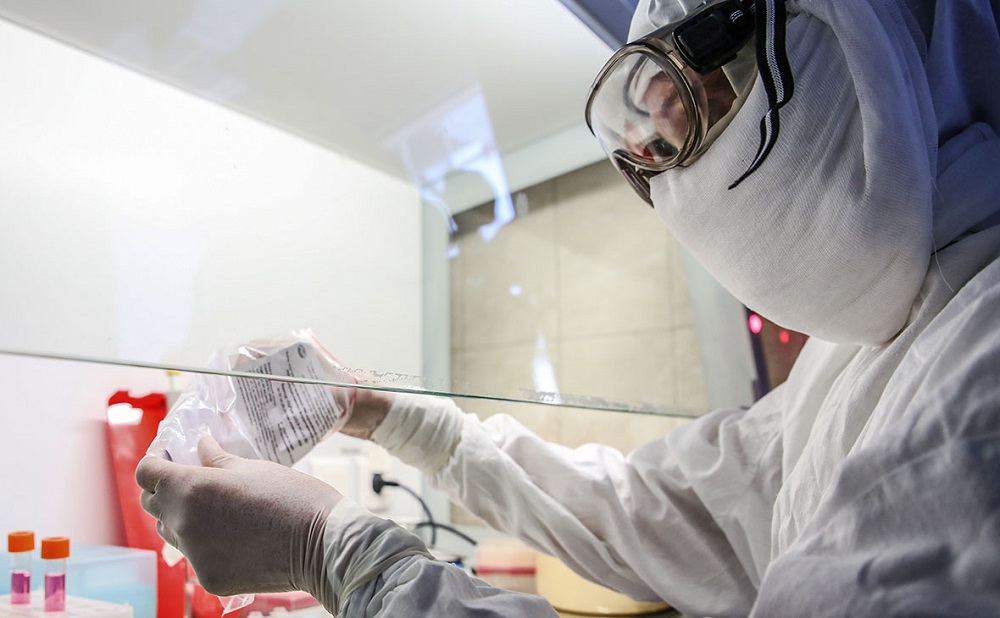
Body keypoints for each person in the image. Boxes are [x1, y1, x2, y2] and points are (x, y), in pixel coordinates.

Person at [137, 0, 1000, 615]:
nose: (665, 141)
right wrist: (388, 413)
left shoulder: (978, 376)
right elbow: (673, 511)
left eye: (704, 81)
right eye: (652, 133)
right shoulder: (871, 349)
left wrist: (342, 556)